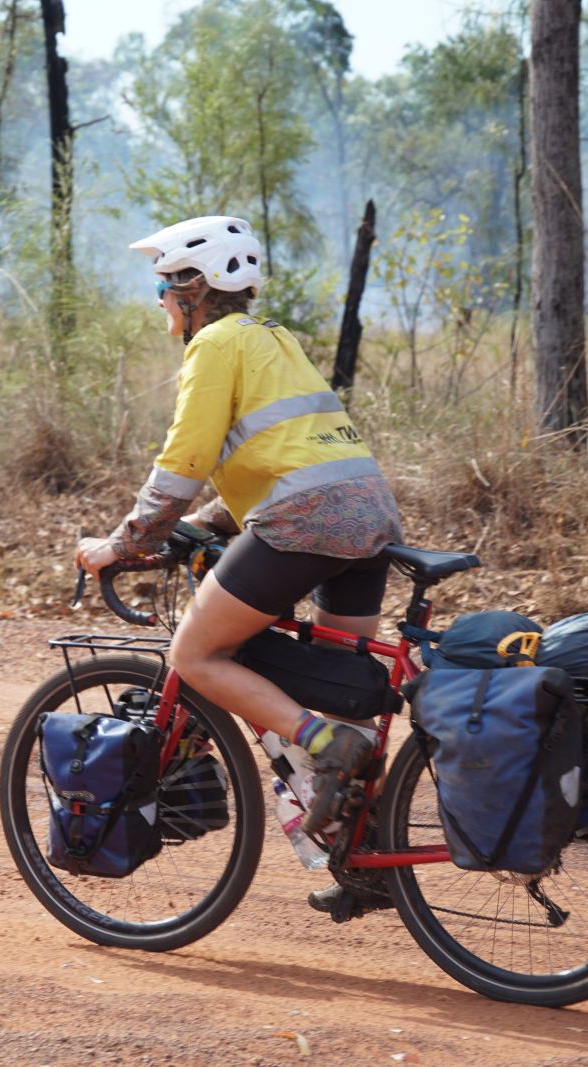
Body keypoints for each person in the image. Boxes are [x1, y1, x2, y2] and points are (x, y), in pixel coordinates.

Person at [75, 215, 404, 918]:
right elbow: (282, 453)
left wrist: (124, 541)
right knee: (349, 685)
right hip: (368, 514)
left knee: (195, 652)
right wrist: (205, 524)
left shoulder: (215, 344)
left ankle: (321, 741)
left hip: (306, 521)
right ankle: (368, 860)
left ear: (196, 289)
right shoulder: (272, 339)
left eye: (163, 285)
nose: (158, 300)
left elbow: (183, 461)